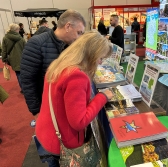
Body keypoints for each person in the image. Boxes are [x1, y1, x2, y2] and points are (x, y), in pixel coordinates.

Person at [35, 31, 114, 167]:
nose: (100, 62)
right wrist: (103, 97)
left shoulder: (59, 64)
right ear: (91, 54)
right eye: (100, 58)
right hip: (61, 141)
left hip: (47, 132)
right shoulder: (77, 76)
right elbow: (79, 121)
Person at [20, 9, 86, 118]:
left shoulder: (72, 46)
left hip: (66, 106)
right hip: (47, 107)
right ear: (68, 26)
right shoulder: (37, 43)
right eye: (79, 33)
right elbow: (28, 80)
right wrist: (36, 111)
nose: (79, 38)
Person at [1, 23, 26, 93]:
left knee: (18, 74)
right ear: (17, 30)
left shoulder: (5, 38)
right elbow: (26, 48)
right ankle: (27, 88)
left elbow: (4, 50)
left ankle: (23, 89)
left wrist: (4, 59)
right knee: (25, 74)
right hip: (23, 58)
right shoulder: (21, 38)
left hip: (13, 59)